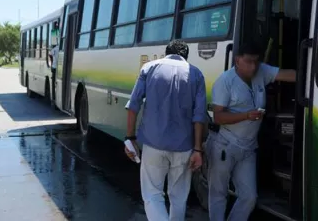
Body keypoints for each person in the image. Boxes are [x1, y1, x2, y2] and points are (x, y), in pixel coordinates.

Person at [207, 42, 296, 221]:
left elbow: (289, 75)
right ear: (237, 60)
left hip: (248, 148)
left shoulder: (261, 71)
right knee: (218, 194)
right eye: (249, 62)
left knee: (249, 197)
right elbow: (218, 117)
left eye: (256, 61)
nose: (253, 66)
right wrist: (246, 115)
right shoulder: (225, 81)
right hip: (225, 145)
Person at [124, 39, 206, 221]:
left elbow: (134, 105)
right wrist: (198, 149)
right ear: (185, 56)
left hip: (153, 145)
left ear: (166, 52)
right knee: (178, 197)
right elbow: (199, 116)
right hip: (184, 147)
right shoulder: (196, 74)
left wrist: (130, 137)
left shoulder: (149, 68)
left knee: (152, 194)